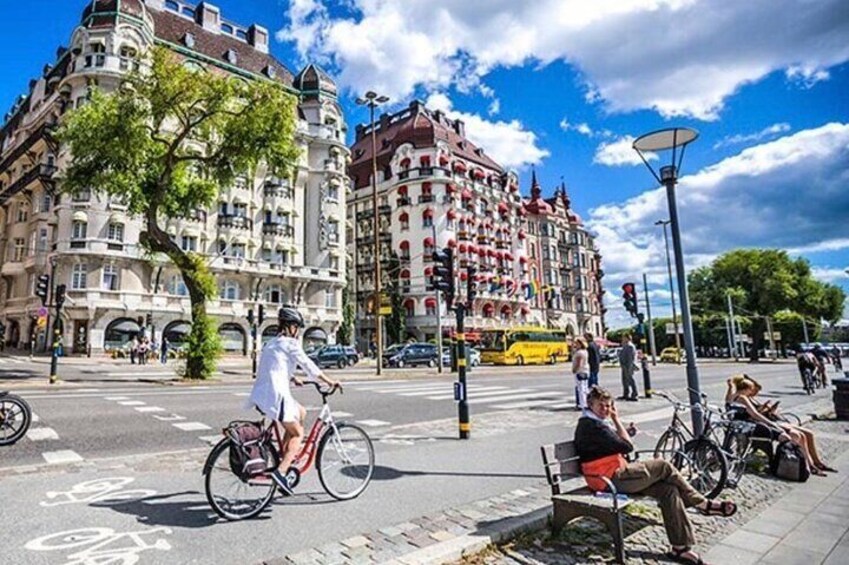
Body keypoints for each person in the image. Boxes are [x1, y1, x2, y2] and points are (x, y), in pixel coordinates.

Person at [575, 386, 737, 564]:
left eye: (608, 406)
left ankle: (680, 548)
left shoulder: (597, 423)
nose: (605, 409)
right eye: (601, 405)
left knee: (668, 490)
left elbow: (620, 444)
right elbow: (628, 447)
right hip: (608, 480)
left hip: (616, 474)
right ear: (590, 405)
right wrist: (616, 420)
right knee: (663, 466)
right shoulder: (592, 426)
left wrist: (615, 421)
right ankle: (702, 503)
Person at [247, 306, 340, 495]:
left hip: (261, 394)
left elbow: (274, 367)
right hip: (276, 396)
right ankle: (281, 473)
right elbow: (308, 365)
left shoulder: (271, 343)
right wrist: (329, 380)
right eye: (297, 327)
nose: (298, 332)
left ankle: (285, 456)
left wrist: (291, 378)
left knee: (301, 412)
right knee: (298, 433)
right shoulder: (290, 343)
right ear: (291, 327)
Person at [725, 374, 835, 475]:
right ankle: (807, 465)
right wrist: (772, 424)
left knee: (804, 434)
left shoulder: (733, 396)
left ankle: (813, 464)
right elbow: (755, 415)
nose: (753, 392)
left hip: (752, 425)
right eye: (751, 389)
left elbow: (736, 406)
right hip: (755, 426)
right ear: (746, 389)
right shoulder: (743, 397)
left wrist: (730, 386)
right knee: (796, 435)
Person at [617, 334, 639, 401]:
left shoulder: (630, 346)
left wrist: (628, 367)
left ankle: (635, 394)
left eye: (623, 338)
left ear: (627, 338)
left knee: (630, 380)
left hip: (628, 366)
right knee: (624, 381)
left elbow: (630, 358)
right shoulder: (625, 345)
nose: (622, 339)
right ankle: (626, 394)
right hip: (624, 366)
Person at [572, 337, 590, 410]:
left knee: (581, 389)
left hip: (580, 371)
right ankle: (585, 403)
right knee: (585, 388)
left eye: (576, 343)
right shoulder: (585, 351)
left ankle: (582, 404)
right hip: (586, 371)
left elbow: (579, 363)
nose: (575, 345)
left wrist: (574, 369)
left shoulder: (579, 353)